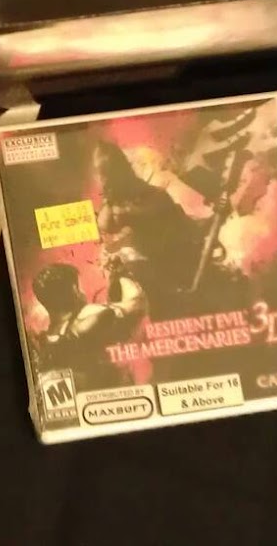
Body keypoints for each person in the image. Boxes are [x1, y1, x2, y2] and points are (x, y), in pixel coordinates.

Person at [90, 138, 199, 316]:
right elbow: (107, 226)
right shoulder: (119, 200)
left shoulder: (147, 195)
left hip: (172, 265)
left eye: (103, 174)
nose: (100, 179)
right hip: (158, 268)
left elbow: (116, 222)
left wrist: (118, 205)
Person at [30, 263, 132, 391]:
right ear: (74, 290)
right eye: (80, 286)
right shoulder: (92, 315)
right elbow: (134, 305)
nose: (83, 292)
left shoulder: (44, 340)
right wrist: (123, 276)